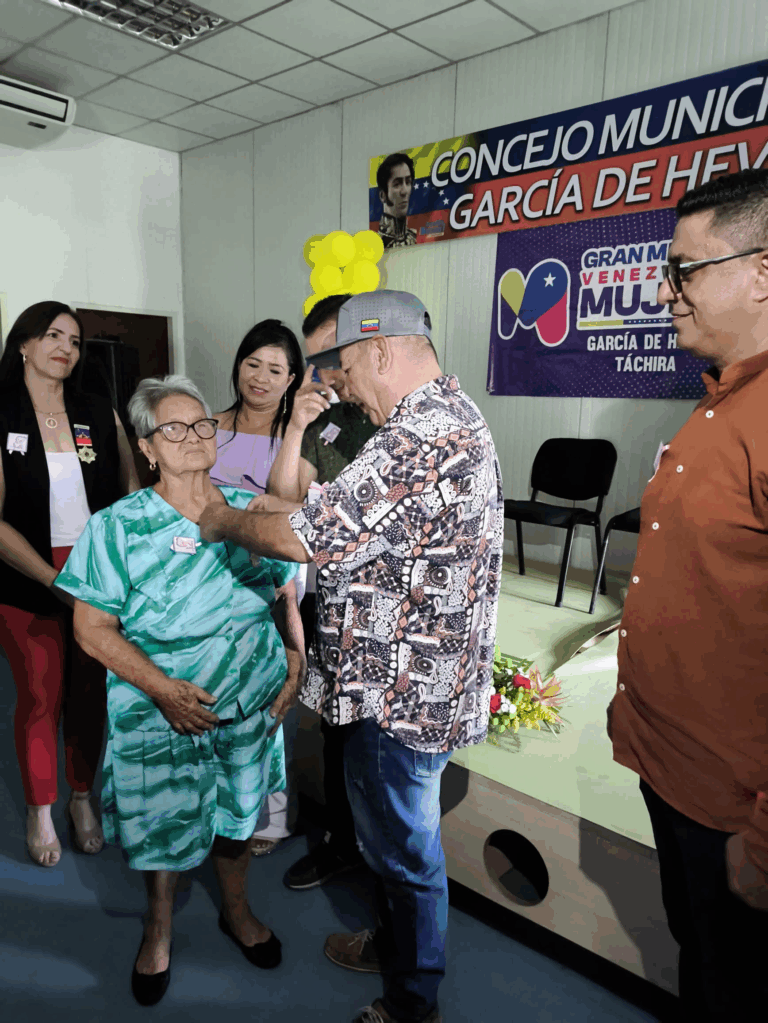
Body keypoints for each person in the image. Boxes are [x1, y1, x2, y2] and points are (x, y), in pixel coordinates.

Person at [199, 290, 504, 1023]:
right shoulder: (442, 416)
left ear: (380, 349)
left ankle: (410, 997)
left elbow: (305, 535)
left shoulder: (417, 433)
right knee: (398, 844)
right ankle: (397, 945)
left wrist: (214, 514)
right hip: (411, 677)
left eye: (343, 369)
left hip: (403, 691)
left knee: (406, 851)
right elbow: (337, 518)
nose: (340, 387)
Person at [53, 375, 305, 1007]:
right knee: (163, 824)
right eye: (174, 428)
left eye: (202, 425)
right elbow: (90, 627)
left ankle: (237, 910)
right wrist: (162, 689)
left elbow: (285, 592)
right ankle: (159, 926)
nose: (194, 437)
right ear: (147, 448)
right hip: (159, 712)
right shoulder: (117, 528)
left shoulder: (244, 513)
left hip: (249, 707)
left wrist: (296, 656)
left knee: (239, 815)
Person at [608, 168, 768, 1022]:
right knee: (702, 966)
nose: (663, 290)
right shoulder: (718, 402)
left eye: (684, 269)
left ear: (762, 271)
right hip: (676, 773)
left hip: (735, 808)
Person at [0, 301, 140, 868]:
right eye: (53, 335)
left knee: (90, 697)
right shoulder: (2, 411)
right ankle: (40, 809)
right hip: (27, 576)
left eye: (75, 340)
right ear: (25, 345)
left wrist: (121, 570)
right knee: (40, 696)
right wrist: (57, 581)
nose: (66, 347)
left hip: (98, 575)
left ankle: (83, 797)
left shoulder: (97, 410)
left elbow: (130, 492)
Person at [267, 293, 378, 890]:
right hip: (333, 602)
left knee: (380, 742)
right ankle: (340, 840)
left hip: (390, 615)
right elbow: (284, 496)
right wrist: (297, 425)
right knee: (336, 729)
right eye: (316, 360)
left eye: (331, 354)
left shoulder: (401, 418)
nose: (325, 371)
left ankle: (380, 854)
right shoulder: (329, 418)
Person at [210, 318, 305, 856]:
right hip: (214, 579)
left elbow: (295, 505)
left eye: (275, 369)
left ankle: (270, 813)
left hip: (271, 584)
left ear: (291, 378)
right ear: (238, 365)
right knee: (222, 692)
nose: (261, 378)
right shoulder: (210, 426)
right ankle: (221, 800)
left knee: (272, 692)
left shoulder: (296, 435)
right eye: (253, 364)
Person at [377, 153, 416, 248]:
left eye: (408, 182)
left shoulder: (414, 237)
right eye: (397, 184)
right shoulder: (376, 243)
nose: (405, 191)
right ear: (383, 196)